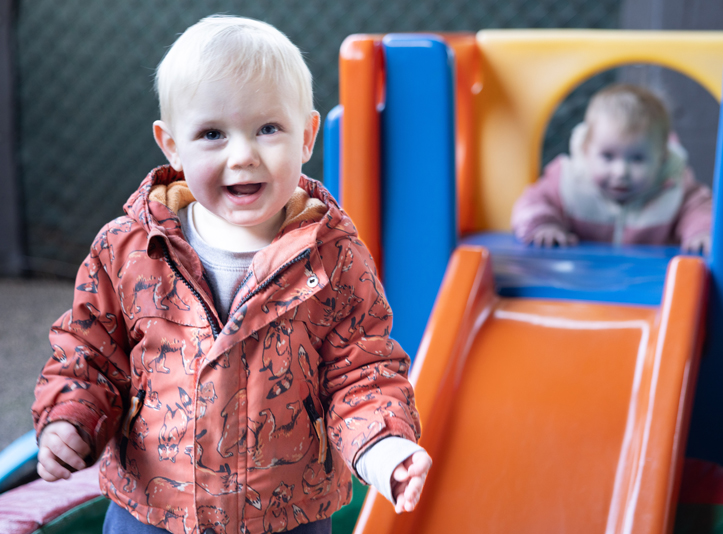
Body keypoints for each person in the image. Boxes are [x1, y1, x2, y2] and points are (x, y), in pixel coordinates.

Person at [32, 15, 431, 534]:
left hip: (287, 514)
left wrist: (383, 445)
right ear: (172, 146)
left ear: (307, 136)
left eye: (268, 129)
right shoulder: (129, 249)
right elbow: (90, 354)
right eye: (212, 134)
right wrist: (71, 418)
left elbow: (361, 370)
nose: (243, 156)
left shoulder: (333, 255)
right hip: (153, 510)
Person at [511, 84, 712, 253]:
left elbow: (701, 209)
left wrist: (702, 232)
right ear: (586, 150)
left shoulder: (674, 188)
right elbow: (532, 201)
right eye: (607, 156)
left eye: (637, 159)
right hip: (581, 276)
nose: (621, 172)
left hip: (650, 280)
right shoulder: (568, 181)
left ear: (662, 158)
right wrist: (543, 225)